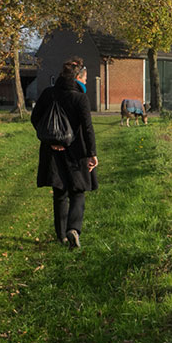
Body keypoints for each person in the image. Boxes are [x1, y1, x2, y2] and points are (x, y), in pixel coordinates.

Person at [32, 57, 98, 249]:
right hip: (77, 153)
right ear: (77, 77)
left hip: (51, 152)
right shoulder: (80, 98)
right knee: (77, 191)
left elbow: (35, 118)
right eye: (85, 78)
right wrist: (92, 153)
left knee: (59, 192)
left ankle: (61, 236)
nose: (86, 82)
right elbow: (87, 128)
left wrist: (51, 140)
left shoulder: (48, 93)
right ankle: (73, 229)